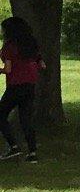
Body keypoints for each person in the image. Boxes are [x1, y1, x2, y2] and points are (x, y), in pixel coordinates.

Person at [1, 16, 41, 163]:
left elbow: (8, 69)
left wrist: (0, 70)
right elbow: (41, 64)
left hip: (15, 86)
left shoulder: (9, 47)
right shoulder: (30, 44)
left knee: (1, 114)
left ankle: (14, 146)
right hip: (30, 85)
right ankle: (32, 153)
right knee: (26, 119)